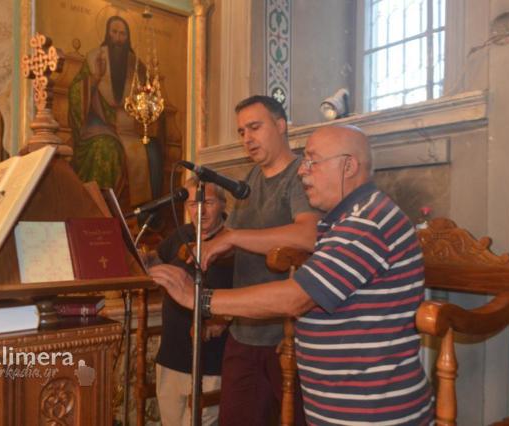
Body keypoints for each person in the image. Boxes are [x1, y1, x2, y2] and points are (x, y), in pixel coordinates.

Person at [151, 125, 434, 425]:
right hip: (345, 410)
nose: (302, 171)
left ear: (348, 166)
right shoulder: (344, 222)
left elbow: (296, 298)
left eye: (312, 161)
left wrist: (200, 298)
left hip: (375, 413)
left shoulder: (367, 221)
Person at [197, 95, 319, 425]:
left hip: (287, 336)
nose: (247, 138)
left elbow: (308, 235)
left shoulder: (300, 175)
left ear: (280, 126)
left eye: (254, 127)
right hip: (244, 331)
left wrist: (233, 237)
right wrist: (208, 245)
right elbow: (235, 240)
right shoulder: (251, 179)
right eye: (241, 132)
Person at [153, 177, 232, 426]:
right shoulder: (181, 234)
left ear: (223, 204)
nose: (200, 211)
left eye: (207, 202)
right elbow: (156, 261)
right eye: (193, 204)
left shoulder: (234, 240)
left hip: (210, 360)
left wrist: (223, 319)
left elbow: (250, 294)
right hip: (171, 354)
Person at [68, 15, 161, 207]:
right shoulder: (94, 58)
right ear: (107, 34)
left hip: (131, 129)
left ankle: (143, 214)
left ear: (128, 37)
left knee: (153, 152)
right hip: (101, 124)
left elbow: (151, 97)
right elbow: (76, 91)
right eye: (114, 32)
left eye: (122, 34)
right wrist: (95, 78)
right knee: (106, 147)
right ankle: (100, 209)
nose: (118, 38)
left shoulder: (136, 65)